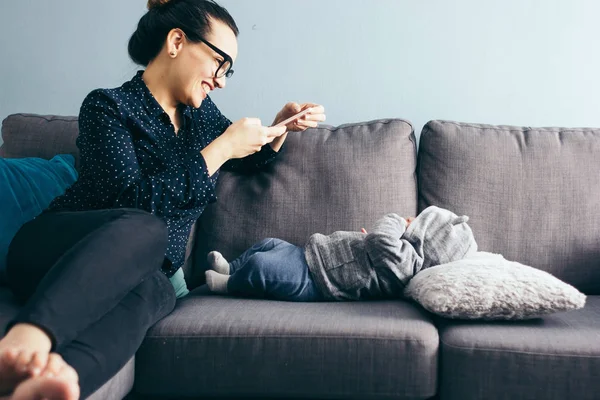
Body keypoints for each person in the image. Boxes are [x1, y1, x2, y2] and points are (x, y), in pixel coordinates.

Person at [0, 0, 326, 398]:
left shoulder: (200, 116)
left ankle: (50, 386)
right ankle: (23, 342)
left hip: (145, 272)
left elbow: (246, 159)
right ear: (176, 42)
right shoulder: (108, 107)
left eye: (229, 71)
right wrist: (220, 149)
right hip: (55, 250)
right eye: (220, 62)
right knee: (146, 228)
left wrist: (280, 126)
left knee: (159, 291)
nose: (222, 80)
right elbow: (134, 204)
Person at [204, 206, 478, 301]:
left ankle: (229, 285)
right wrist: (364, 239)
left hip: (316, 280)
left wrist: (397, 220)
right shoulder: (400, 251)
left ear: (426, 237)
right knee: (269, 243)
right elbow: (376, 244)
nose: (410, 218)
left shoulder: (407, 263)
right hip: (312, 253)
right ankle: (232, 267)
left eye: (416, 220)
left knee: (263, 266)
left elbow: (382, 239)